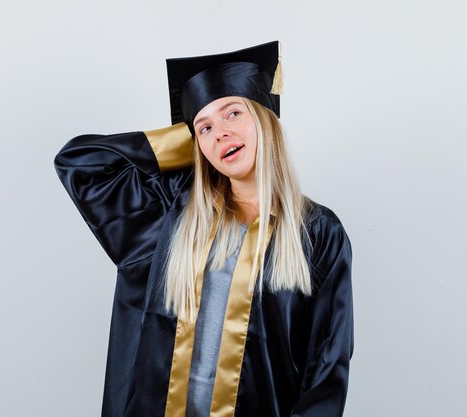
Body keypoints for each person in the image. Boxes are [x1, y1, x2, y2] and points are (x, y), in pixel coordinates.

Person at [54, 41, 353, 417]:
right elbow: (79, 163)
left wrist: (204, 127)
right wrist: (189, 140)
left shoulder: (317, 232)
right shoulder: (172, 211)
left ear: (263, 117)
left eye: (233, 114)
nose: (221, 134)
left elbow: (326, 368)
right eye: (205, 127)